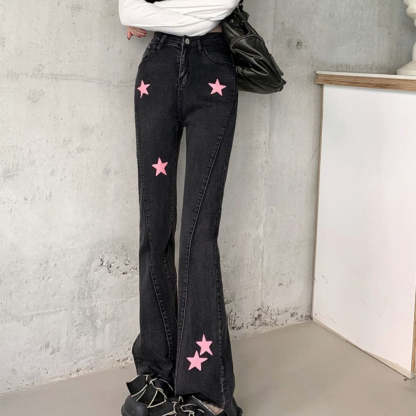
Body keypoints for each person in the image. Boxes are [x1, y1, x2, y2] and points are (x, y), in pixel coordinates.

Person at [118, 1, 242, 415]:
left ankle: (208, 393)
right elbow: (128, 10)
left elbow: (222, 5)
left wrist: (159, 13)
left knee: (198, 237)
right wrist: (194, 16)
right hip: (158, 68)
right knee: (154, 230)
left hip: (213, 71)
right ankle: (157, 369)